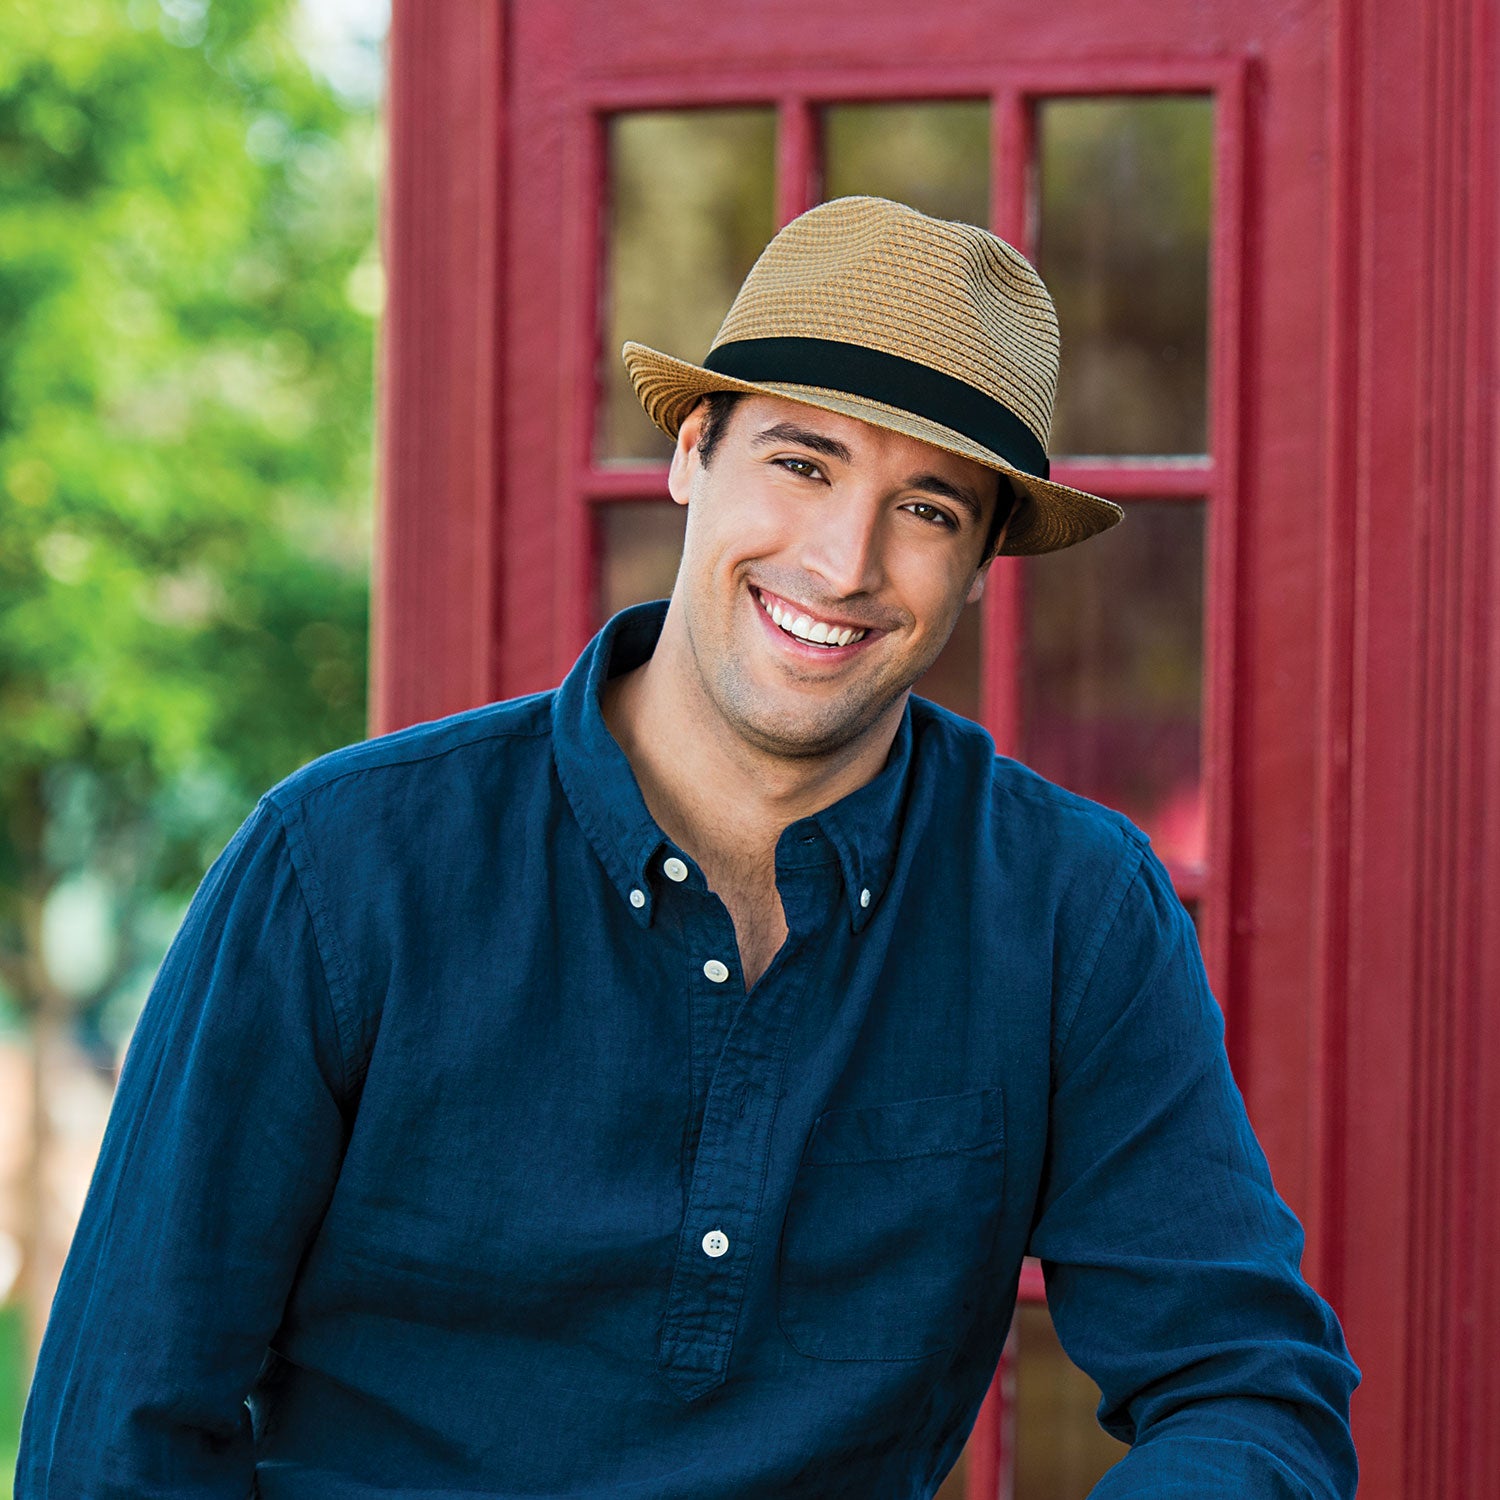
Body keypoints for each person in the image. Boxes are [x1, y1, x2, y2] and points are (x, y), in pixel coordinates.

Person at [17, 196, 1358, 1498]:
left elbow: (1248, 1387)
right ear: (691, 452)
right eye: (801, 461)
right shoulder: (344, 866)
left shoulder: (1069, 915)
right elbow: (123, 1420)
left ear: (985, 559)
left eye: (930, 509)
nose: (843, 562)